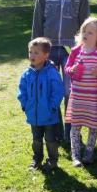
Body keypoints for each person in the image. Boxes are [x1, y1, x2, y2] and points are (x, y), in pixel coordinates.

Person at [32, 0, 91, 142]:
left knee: (69, 91)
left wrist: (86, 51)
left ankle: (70, 133)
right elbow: (37, 24)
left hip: (71, 51)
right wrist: (35, 53)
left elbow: (86, 25)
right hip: (49, 49)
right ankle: (54, 131)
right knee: (51, 90)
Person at [64, 17, 97, 166]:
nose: (86, 34)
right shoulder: (76, 51)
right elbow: (67, 68)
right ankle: (75, 155)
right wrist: (72, 70)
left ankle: (89, 153)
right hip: (77, 95)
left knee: (92, 126)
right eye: (84, 30)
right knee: (75, 126)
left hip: (93, 97)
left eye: (90, 32)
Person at [17, 37, 64, 171]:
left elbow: (58, 91)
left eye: (36, 52)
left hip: (49, 115)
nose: (32, 55)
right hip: (33, 115)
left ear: (46, 55)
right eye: (30, 52)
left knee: (50, 140)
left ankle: (52, 161)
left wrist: (53, 107)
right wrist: (25, 104)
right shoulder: (26, 74)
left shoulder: (52, 72)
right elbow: (22, 91)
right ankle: (37, 159)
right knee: (36, 139)